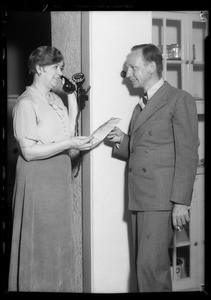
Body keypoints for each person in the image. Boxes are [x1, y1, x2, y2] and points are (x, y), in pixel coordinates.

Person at [107, 44, 199, 292]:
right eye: (127, 68)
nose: (128, 74)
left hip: (161, 200)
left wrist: (180, 202)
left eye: (132, 67)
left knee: (151, 269)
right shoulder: (141, 105)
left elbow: (188, 154)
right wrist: (122, 141)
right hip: (140, 198)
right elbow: (145, 150)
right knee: (146, 269)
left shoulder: (180, 100)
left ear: (151, 66)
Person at [8, 46, 93, 292]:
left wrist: (72, 95)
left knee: (58, 239)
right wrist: (69, 144)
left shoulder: (55, 99)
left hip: (57, 177)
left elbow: (68, 128)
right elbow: (29, 152)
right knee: (40, 241)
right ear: (39, 68)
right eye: (56, 67)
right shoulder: (26, 103)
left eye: (61, 67)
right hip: (38, 179)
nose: (60, 73)